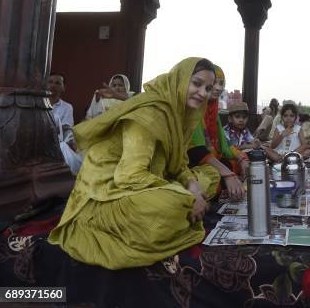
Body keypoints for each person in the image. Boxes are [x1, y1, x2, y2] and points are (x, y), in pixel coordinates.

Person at [48, 58, 217, 269]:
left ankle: (186, 207)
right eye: (197, 83)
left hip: (147, 182)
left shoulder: (179, 115)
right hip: (107, 192)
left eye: (208, 88)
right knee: (175, 205)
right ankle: (179, 212)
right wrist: (187, 196)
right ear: (180, 80)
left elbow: (179, 164)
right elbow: (129, 176)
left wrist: (192, 187)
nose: (202, 93)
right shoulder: (150, 113)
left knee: (209, 175)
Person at [190, 65, 246, 200]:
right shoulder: (193, 109)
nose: (219, 88)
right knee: (215, 173)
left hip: (209, 162)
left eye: (222, 83)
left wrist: (242, 158)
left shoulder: (214, 114)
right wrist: (228, 174)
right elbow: (197, 151)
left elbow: (225, 146)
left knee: (235, 164)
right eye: (214, 83)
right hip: (192, 165)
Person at [47, 73, 82, 174]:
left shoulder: (67, 107)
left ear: (63, 88)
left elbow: (66, 128)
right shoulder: (38, 103)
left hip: (57, 142)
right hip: (39, 142)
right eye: (50, 82)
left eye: (58, 83)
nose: (53, 85)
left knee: (64, 147)